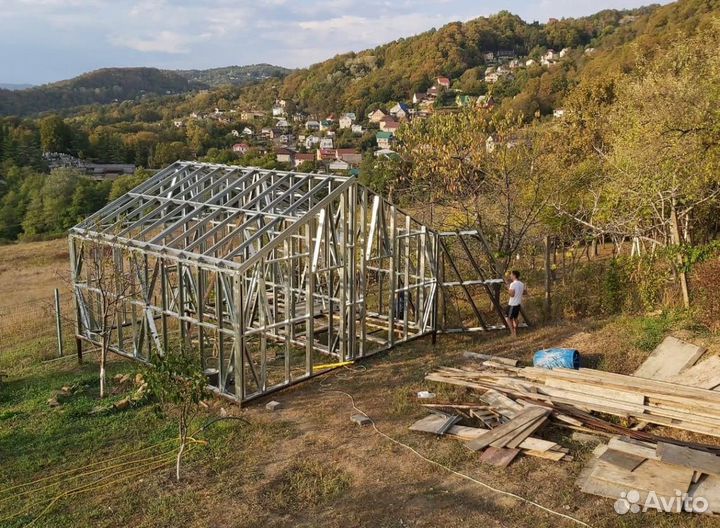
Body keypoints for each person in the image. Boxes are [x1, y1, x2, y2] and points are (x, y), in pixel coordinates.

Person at [506, 270, 525, 337]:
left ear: (514, 275)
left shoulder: (513, 284)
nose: (510, 276)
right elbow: (525, 292)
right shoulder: (522, 284)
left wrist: (508, 288)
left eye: (511, 275)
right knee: (515, 318)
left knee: (508, 319)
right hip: (518, 304)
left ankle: (512, 333)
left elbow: (512, 295)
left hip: (512, 304)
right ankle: (515, 332)